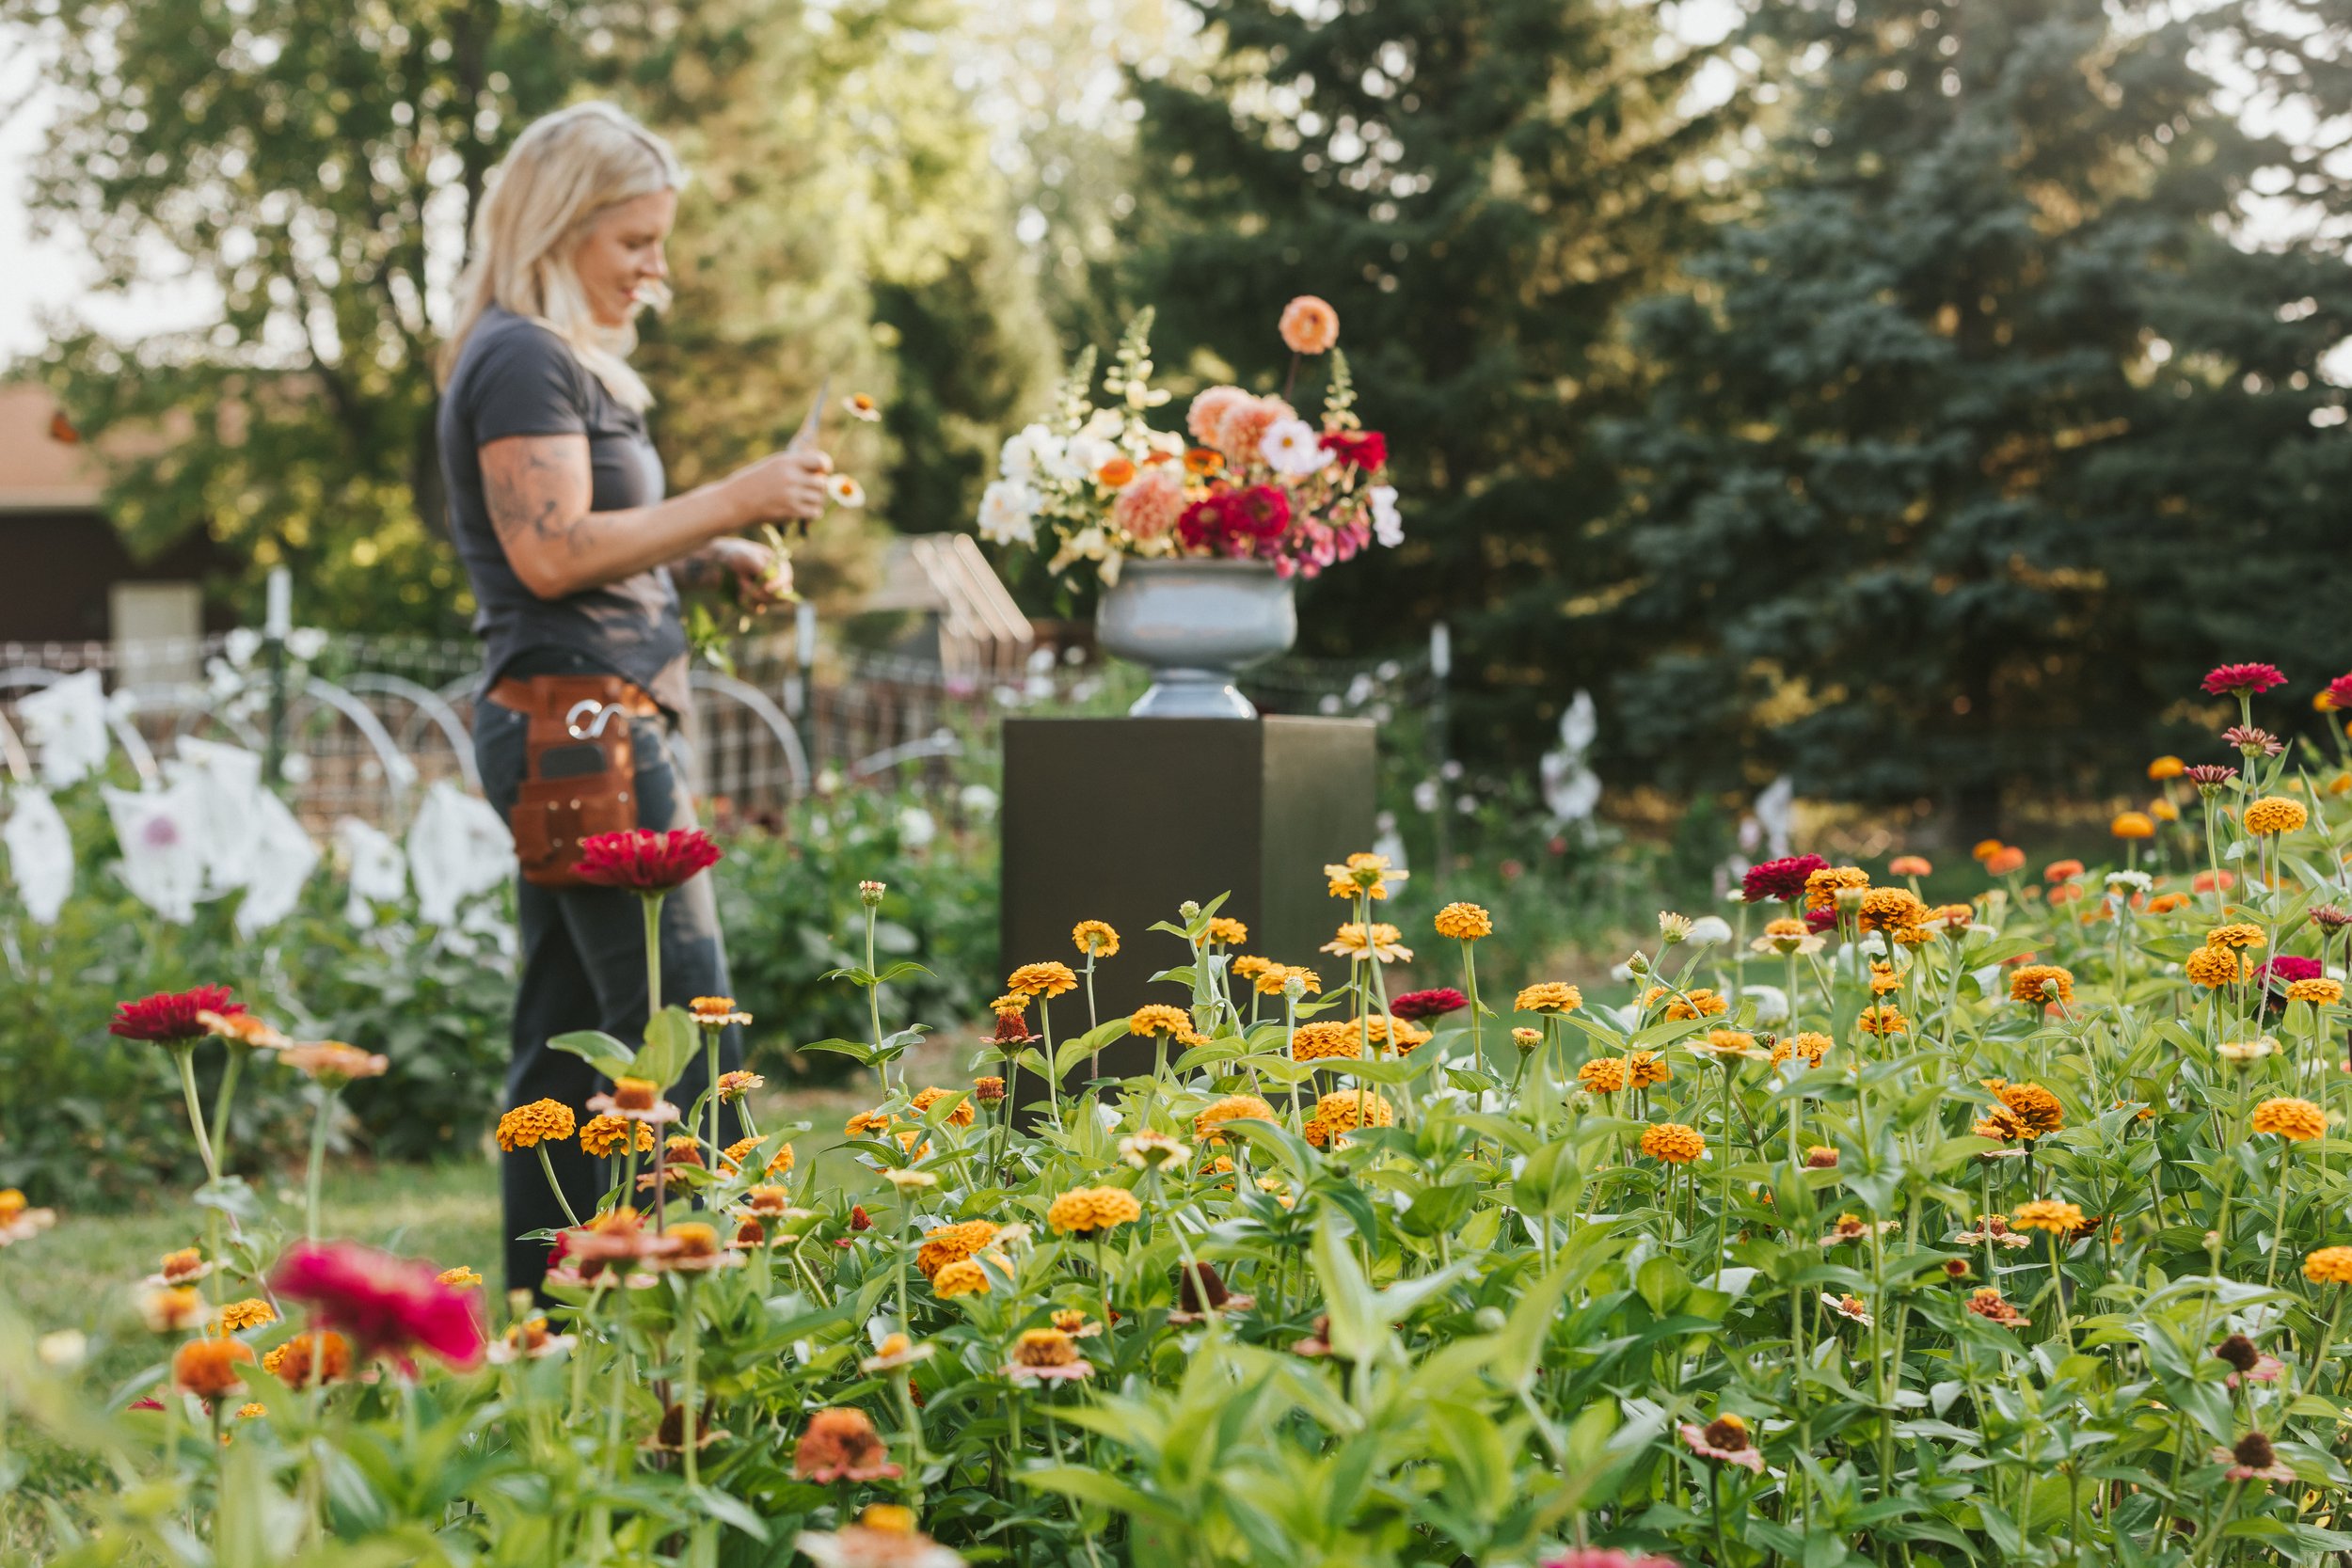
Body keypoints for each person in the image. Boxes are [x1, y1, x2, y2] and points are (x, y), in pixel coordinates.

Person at [437, 103, 830, 1294]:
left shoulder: (550, 361)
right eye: (634, 243)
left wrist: (705, 560)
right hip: (581, 727)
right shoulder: (521, 356)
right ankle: (725, 1316)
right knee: (686, 1026)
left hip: (585, 714)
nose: (657, 269)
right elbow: (550, 555)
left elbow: (581, 545)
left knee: (563, 1051)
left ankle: (542, 1316)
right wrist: (730, 496)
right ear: (558, 229)